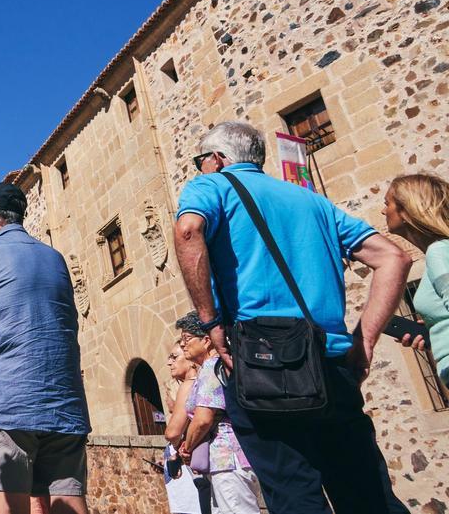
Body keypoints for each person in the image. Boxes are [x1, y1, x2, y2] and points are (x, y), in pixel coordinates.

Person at [174, 121, 413, 514]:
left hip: (259, 365)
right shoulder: (311, 201)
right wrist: (364, 340)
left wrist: (211, 321)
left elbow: (188, 231)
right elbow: (393, 257)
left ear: (217, 158)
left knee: (294, 496)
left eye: (202, 160)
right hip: (331, 364)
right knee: (368, 496)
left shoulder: (210, 185)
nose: (201, 167)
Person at [0, 182, 91, 514]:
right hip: (64, 402)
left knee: (7, 503)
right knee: (67, 500)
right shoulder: (54, 258)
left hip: (4, 402)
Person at [174, 312, 259, 513]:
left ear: (206, 341)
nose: (183, 344)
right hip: (226, 460)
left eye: (187, 339)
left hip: (227, 459)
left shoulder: (211, 368)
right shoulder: (214, 367)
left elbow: (204, 419)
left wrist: (187, 446)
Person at [383, 173, 449, 384]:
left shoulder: (438, 252)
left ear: (406, 210)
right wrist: (435, 328)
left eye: (388, 203)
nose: (383, 210)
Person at [162, 342, 204, 514]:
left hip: (194, 467)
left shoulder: (189, 385)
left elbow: (172, 433)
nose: (169, 363)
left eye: (174, 357)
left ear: (190, 360)